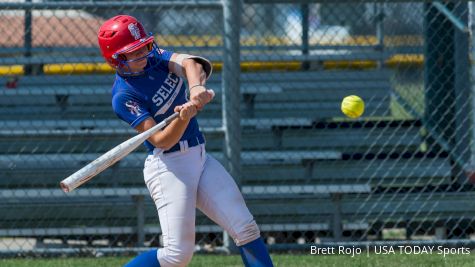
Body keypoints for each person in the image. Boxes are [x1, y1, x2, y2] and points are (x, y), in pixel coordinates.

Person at [97, 15, 274, 267]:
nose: (144, 54)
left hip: (199, 157)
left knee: (245, 228)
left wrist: (195, 89)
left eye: (144, 46)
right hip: (169, 168)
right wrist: (182, 118)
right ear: (117, 60)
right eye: (134, 52)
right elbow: (161, 140)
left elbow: (192, 64)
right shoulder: (124, 95)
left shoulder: (155, 60)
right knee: (176, 256)